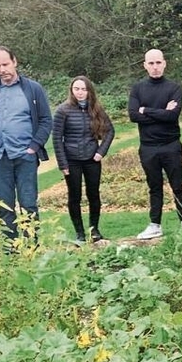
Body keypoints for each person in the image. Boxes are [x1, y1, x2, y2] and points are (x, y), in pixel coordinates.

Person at [0, 46, 52, 242]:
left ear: (14, 62)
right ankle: (11, 249)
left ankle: (32, 247)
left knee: (28, 204)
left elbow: (45, 120)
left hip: (26, 156)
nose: (2, 69)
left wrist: (34, 147)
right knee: (3, 206)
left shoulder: (33, 89)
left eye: (5, 64)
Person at [128, 48, 182, 239]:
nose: (155, 67)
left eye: (158, 63)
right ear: (145, 65)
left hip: (171, 145)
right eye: (151, 63)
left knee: (177, 185)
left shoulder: (173, 87)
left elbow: (172, 115)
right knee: (154, 187)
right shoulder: (138, 88)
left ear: (164, 63)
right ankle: (155, 224)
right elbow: (133, 115)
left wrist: (145, 110)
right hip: (148, 147)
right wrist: (160, 112)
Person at [52, 76, 115, 242]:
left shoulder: (96, 109)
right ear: (72, 91)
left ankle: (94, 231)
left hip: (92, 159)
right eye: (76, 89)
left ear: (89, 91)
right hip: (71, 160)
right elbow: (57, 138)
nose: (80, 93)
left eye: (83, 89)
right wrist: (62, 164)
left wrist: (101, 152)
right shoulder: (63, 111)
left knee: (93, 194)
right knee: (75, 196)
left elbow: (110, 131)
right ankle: (80, 233)